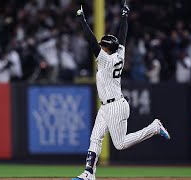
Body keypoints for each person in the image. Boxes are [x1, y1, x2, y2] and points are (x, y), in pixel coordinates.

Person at [73, 3, 171, 180]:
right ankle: (88, 173)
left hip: (115, 106)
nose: (100, 47)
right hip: (107, 105)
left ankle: (154, 127)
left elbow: (90, 41)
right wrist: (125, 16)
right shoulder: (119, 54)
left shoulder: (107, 60)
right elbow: (122, 37)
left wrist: (82, 20)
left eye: (103, 46)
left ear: (107, 50)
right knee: (95, 138)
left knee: (120, 144)